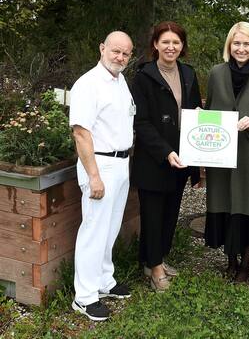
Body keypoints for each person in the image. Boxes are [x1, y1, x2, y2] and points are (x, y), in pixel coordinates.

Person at [204, 22, 249, 283]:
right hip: (220, 154)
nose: (241, 48)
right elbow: (210, 110)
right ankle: (230, 260)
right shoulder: (216, 73)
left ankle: (245, 264)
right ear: (229, 45)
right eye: (236, 43)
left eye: (246, 44)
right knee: (224, 205)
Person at [131, 21, 201, 291]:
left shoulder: (189, 74)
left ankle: (154, 260)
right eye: (165, 42)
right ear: (155, 45)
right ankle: (155, 269)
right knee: (153, 214)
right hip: (154, 159)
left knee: (171, 214)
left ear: (182, 46)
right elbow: (142, 122)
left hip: (181, 160)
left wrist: (194, 164)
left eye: (176, 42)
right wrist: (166, 151)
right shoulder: (143, 77)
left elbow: (195, 116)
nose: (171, 47)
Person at [69, 31, 134, 321]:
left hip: (121, 163)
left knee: (110, 228)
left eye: (126, 54)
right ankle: (84, 297)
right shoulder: (88, 84)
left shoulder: (120, 82)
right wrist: (94, 177)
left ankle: (104, 281)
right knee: (94, 231)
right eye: (115, 51)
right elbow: (81, 133)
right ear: (102, 48)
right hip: (100, 165)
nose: (120, 57)